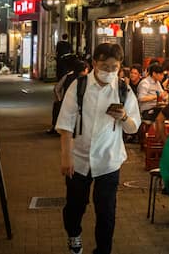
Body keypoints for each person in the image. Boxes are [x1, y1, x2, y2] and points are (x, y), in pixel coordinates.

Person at [56, 43, 140, 254]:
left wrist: (124, 117)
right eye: (104, 65)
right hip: (79, 158)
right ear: (94, 63)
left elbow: (133, 127)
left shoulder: (123, 89)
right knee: (75, 206)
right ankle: (74, 235)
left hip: (109, 160)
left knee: (106, 212)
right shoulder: (80, 86)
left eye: (114, 67)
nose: (109, 71)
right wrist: (66, 157)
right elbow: (65, 123)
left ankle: (103, 250)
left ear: (120, 66)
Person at [49, 59, 90, 135]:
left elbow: (56, 89)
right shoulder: (87, 80)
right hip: (82, 106)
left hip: (66, 102)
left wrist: (60, 99)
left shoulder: (68, 76)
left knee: (56, 105)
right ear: (85, 69)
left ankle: (54, 127)